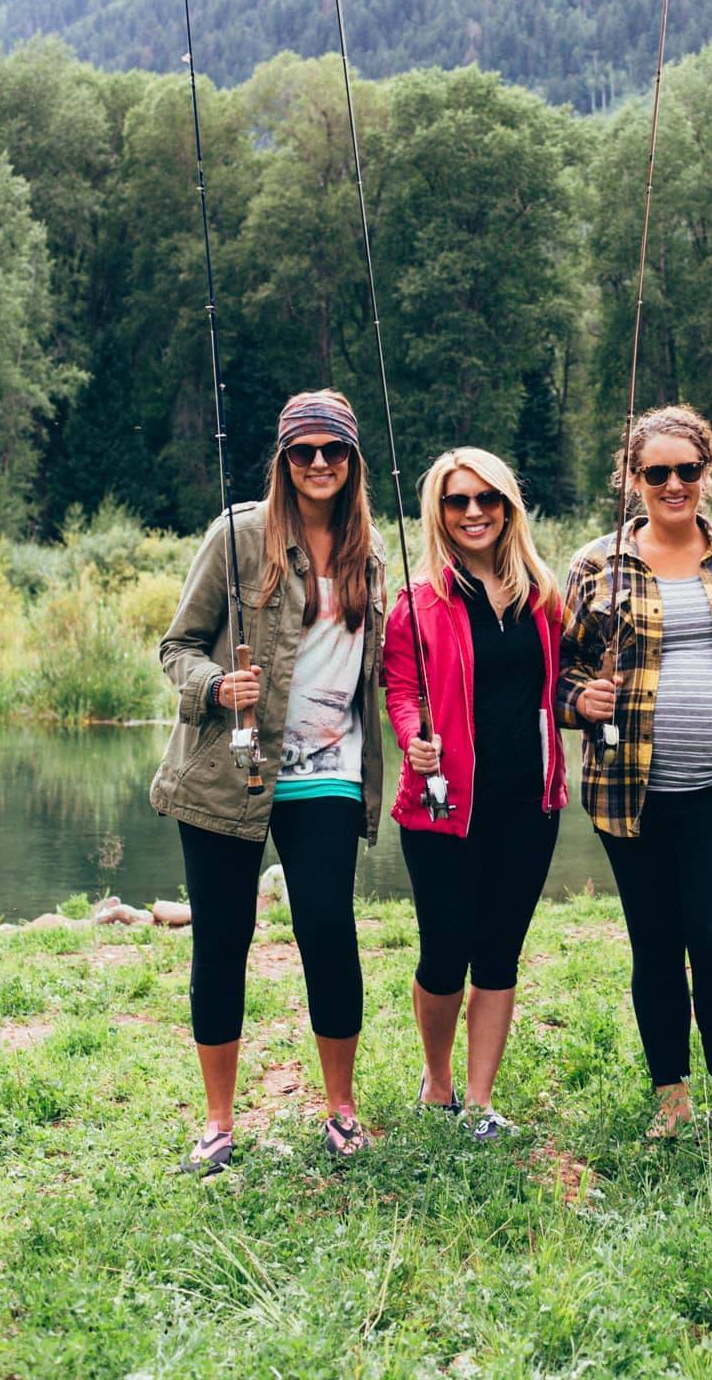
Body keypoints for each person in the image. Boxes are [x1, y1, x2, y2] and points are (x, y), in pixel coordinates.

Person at [150, 390, 386, 1173]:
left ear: (353, 461)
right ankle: (217, 1124)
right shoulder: (238, 534)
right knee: (222, 939)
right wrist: (218, 686)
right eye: (303, 451)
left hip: (328, 773)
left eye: (334, 451)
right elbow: (177, 646)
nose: (320, 464)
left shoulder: (369, 554)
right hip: (228, 770)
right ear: (283, 461)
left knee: (327, 928)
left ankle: (341, 1109)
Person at [558, 405, 712, 1142]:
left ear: (707, 473)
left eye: (688, 470)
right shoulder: (595, 562)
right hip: (628, 793)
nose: (673, 484)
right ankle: (671, 1098)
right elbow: (559, 677)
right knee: (654, 943)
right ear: (633, 478)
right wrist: (580, 699)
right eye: (657, 473)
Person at [384, 447, 566, 1138]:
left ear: (507, 506)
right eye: (458, 501)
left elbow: (562, 686)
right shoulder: (418, 600)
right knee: (444, 949)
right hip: (442, 806)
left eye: (486, 498)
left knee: (499, 951)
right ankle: (438, 1085)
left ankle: (482, 1102)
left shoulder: (542, 594)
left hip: (529, 801)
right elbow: (401, 689)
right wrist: (413, 737)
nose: (473, 512)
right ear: (440, 512)